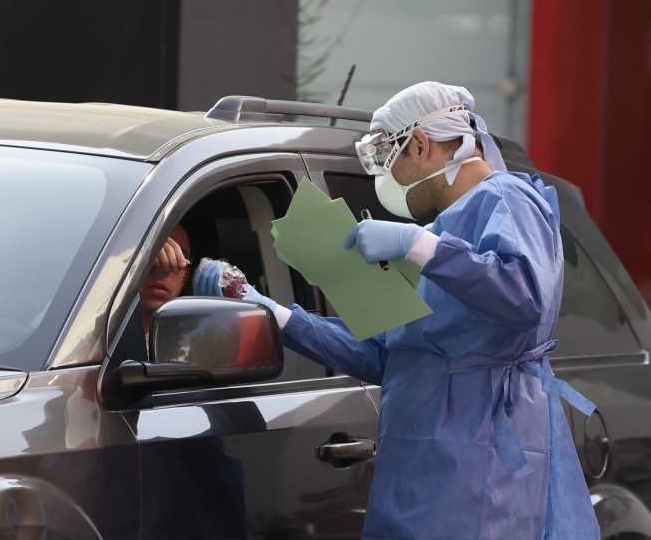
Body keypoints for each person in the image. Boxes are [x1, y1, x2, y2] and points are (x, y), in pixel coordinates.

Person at [193, 82, 600, 539]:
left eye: (388, 156)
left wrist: (419, 244)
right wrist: (272, 312)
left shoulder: (505, 199)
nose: (385, 176)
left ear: (422, 144)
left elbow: (526, 296)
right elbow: (393, 353)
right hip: (419, 475)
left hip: (479, 471)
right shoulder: (446, 230)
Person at [140, 224, 191, 335]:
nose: (163, 268)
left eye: (179, 256)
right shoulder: (96, 336)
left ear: (188, 275)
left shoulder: (194, 345)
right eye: (152, 253)